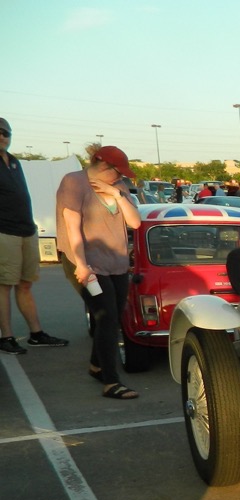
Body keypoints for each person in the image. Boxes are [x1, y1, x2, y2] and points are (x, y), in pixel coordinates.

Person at [56, 145, 141, 399]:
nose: (121, 177)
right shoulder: (74, 182)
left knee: (114, 315)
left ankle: (97, 365)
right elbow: (72, 228)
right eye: (118, 172)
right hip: (86, 262)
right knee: (105, 316)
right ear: (103, 166)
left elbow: (135, 222)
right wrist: (82, 265)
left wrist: (117, 194)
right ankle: (111, 381)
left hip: (116, 263)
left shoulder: (119, 186)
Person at [0, 117, 69, 354]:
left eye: (5, 133)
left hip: (26, 230)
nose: (2, 137)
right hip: (4, 232)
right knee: (4, 285)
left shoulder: (14, 162)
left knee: (26, 283)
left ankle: (36, 333)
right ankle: (6, 336)